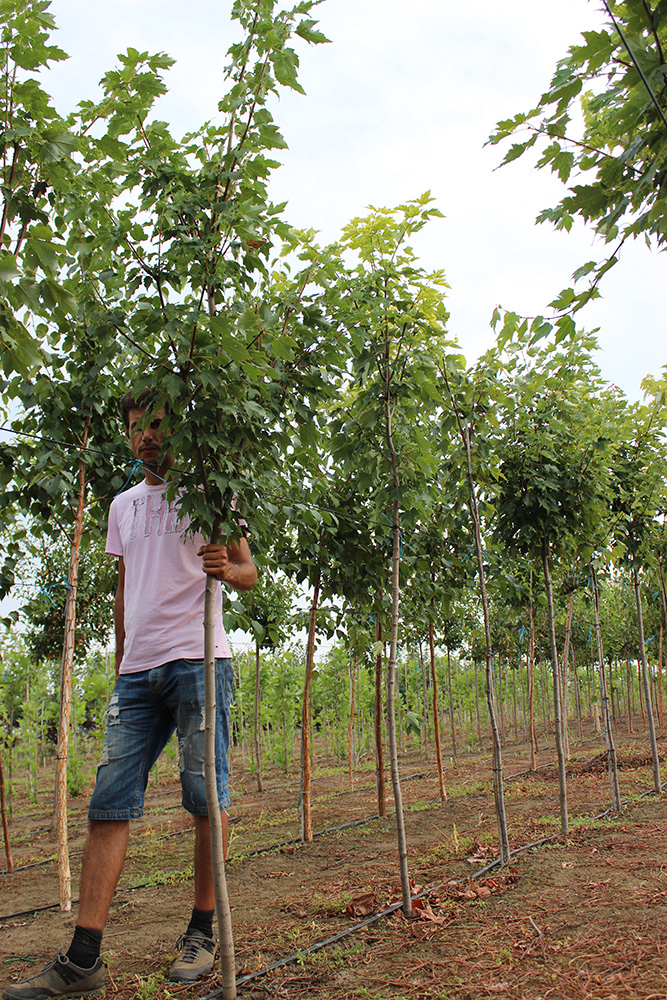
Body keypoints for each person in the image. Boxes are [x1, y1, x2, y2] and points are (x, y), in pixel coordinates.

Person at [3, 390, 257, 1000]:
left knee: (204, 800)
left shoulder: (212, 492)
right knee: (108, 802)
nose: (145, 436)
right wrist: (121, 664)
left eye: (157, 426)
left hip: (199, 660)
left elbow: (249, 572)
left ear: (178, 430)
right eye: (136, 428)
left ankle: (201, 933)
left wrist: (227, 568)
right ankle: (84, 959)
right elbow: (124, 592)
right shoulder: (121, 506)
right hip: (137, 673)